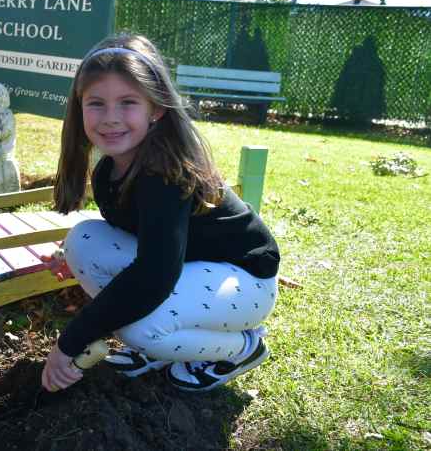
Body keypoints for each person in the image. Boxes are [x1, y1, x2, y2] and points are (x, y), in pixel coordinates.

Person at [40, 33, 279, 394]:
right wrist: (64, 255)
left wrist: (68, 344)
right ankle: (161, 348)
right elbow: (139, 237)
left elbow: (153, 275)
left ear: (157, 109)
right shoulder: (108, 170)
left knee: (137, 325)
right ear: (79, 106)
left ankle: (242, 349)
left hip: (245, 282)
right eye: (96, 103)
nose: (110, 118)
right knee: (82, 241)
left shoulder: (165, 173)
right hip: (192, 267)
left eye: (128, 102)